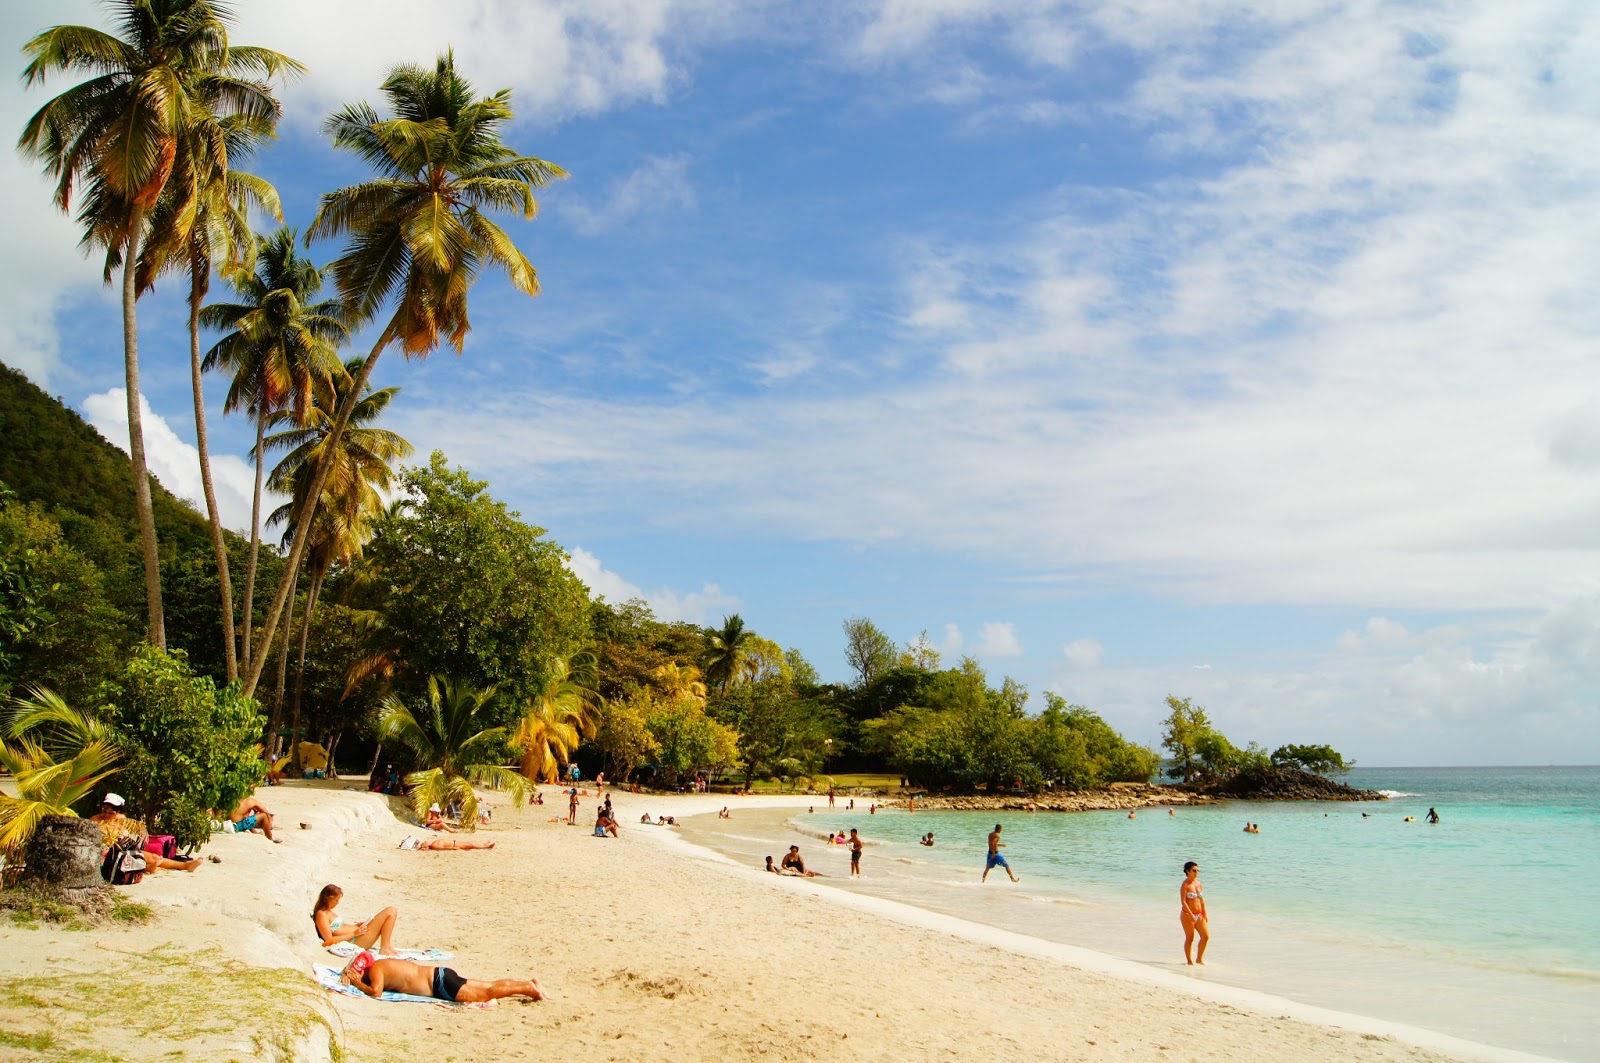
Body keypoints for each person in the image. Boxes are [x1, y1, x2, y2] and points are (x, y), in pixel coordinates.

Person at [341, 951, 544, 1003]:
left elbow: (376, 992)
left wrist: (358, 984)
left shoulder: (376, 970)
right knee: (487, 986)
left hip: (438, 985)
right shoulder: (382, 963)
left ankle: (527, 989)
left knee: (486, 994)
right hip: (439, 972)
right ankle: (527, 983)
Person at [90, 794, 202, 874]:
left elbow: (124, 839)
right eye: (105, 810)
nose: (107, 814)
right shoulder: (95, 819)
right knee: (126, 861)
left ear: (118, 811)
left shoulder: (122, 820)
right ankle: (149, 868)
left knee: (154, 857)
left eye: (111, 812)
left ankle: (185, 865)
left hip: (120, 850)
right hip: (104, 852)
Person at [312, 884, 400, 955]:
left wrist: (356, 926)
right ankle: (384, 947)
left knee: (391, 912)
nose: (337, 903)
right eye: (336, 900)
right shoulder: (321, 914)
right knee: (391, 911)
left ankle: (386, 946)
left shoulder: (328, 912)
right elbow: (329, 940)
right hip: (356, 940)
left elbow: (341, 928)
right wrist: (354, 933)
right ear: (329, 898)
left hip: (358, 935)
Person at [1180, 860, 1209, 965]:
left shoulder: (1199, 884)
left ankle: (1199, 959)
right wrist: (1191, 915)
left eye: (1197, 870)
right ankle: (1189, 961)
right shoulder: (1185, 885)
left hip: (1199, 914)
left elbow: (1201, 900)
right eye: (1194, 870)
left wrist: (1204, 913)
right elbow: (1183, 902)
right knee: (1190, 938)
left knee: (1205, 936)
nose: (1196, 872)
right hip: (1187, 915)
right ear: (1187, 871)